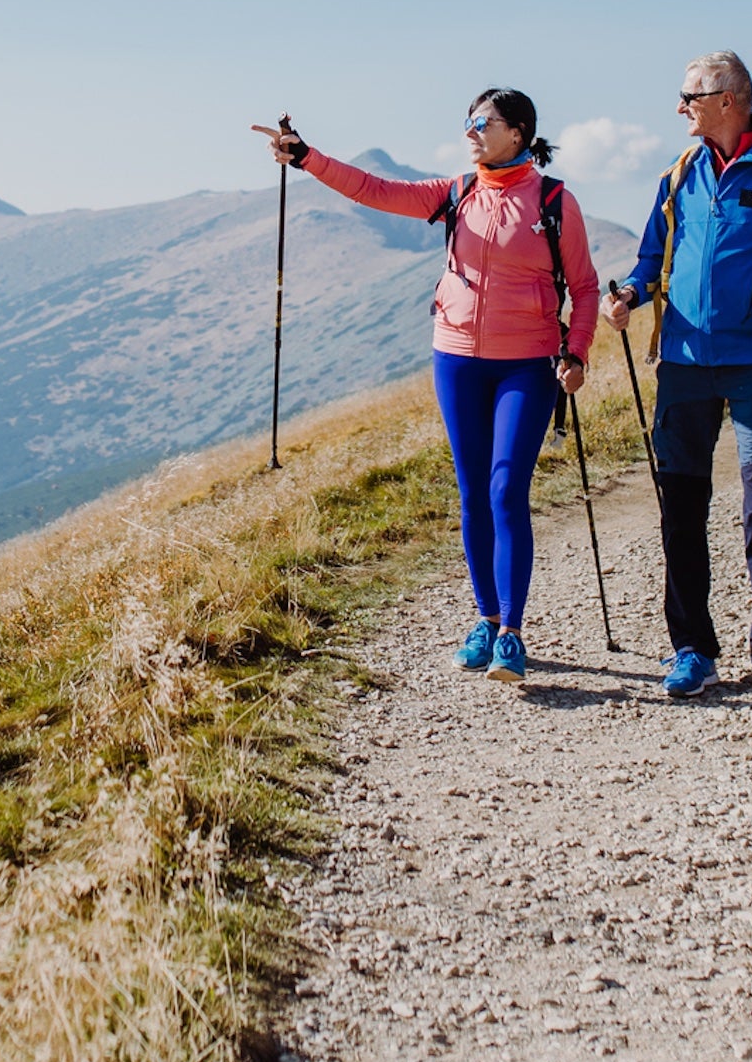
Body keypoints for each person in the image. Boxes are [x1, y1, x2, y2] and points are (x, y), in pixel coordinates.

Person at [256, 91, 598, 684]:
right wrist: (307, 156)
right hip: (456, 359)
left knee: (504, 491)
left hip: (527, 363)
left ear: (517, 133)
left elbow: (587, 288)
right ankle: (486, 619)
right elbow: (374, 189)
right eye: (467, 121)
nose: (470, 131)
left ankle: (512, 632)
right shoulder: (456, 193)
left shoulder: (552, 202)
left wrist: (577, 352)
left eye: (482, 123)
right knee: (471, 494)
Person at [602, 51, 752, 703]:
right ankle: (691, 650)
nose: (678, 108)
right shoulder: (678, 174)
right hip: (682, 364)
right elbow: (651, 261)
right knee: (679, 508)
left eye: (687, 96)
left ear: (726, 98)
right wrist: (628, 295)